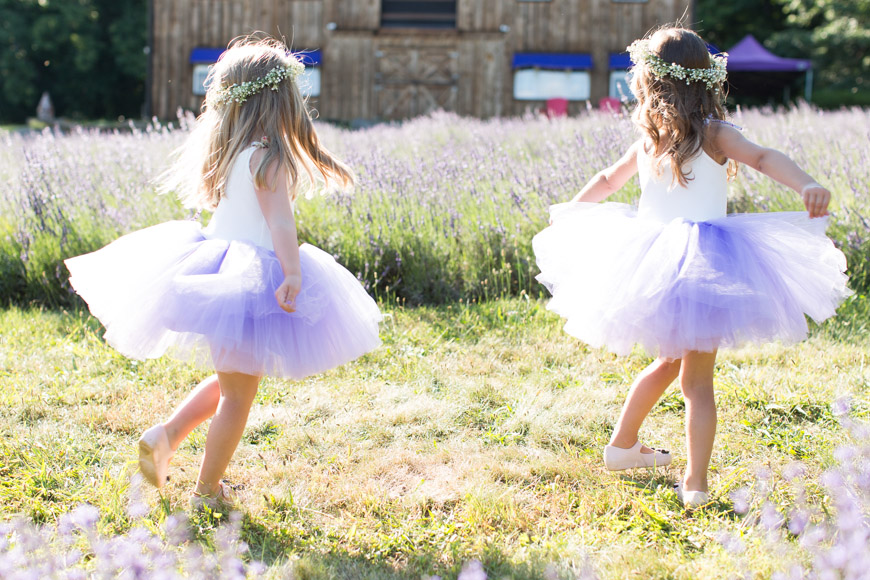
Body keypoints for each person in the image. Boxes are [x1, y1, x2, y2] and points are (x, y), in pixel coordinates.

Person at [532, 25, 851, 507]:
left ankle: (622, 446)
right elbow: (763, 158)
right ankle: (695, 485)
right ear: (707, 78)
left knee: (670, 361)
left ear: (648, 83)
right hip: (705, 262)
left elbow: (605, 180)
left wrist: (572, 213)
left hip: (653, 261)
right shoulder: (717, 133)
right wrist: (805, 183)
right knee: (696, 381)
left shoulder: (649, 139)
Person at [64, 37, 382, 508]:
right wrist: (292, 273)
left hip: (213, 267)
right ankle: (206, 491)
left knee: (234, 378)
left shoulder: (231, 151)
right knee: (238, 393)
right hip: (247, 278)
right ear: (278, 100)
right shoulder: (268, 157)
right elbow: (279, 222)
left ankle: (166, 436)